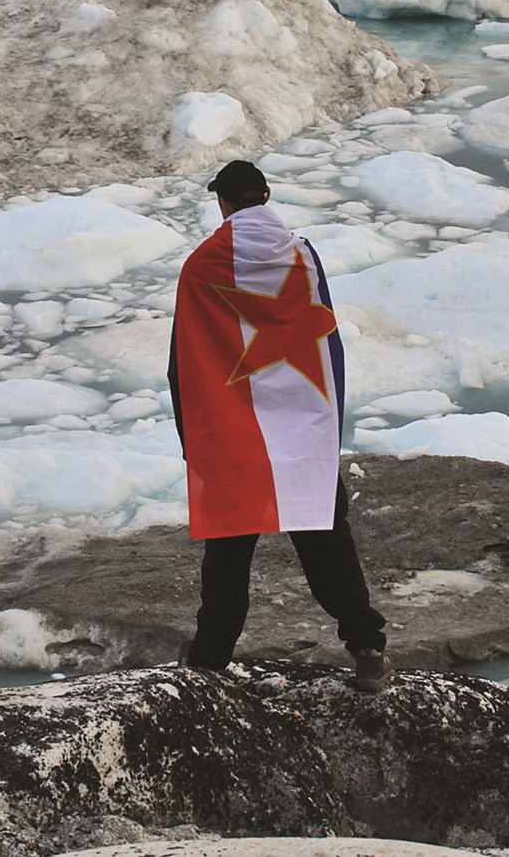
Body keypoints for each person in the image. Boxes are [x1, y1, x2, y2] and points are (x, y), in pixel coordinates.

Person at [167, 157, 390, 690]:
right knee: (326, 542)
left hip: (235, 431)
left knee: (228, 552)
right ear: (266, 196)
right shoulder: (304, 257)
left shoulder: (202, 264)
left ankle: (208, 663)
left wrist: (193, 438)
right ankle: (367, 647)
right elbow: (320, 336)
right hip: (302, 425)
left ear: (222, 202)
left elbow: (186, 361)